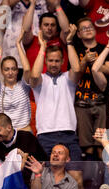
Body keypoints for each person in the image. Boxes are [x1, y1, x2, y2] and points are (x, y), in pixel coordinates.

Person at [29, 26, 82, 161]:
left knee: (76, 174)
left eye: (57, 61)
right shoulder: (41, 80)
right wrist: (42, 47)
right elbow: (34, 75)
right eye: (51, 60)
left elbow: (76, 69)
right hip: (45, 135)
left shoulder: (67, 78)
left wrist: (69, 42)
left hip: (68, 133)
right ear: (45, 61)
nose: (53, 64)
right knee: (44, 175)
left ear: (63, 62)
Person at [73, 17, 109, 161]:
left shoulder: (104, 48)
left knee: (100, 143)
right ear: (78, 34)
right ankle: (91, 178)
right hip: (81, 102)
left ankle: (103, 177)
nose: (88, 29)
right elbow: (74, 74)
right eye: (83, 28)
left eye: (90, 26)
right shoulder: (76, 49)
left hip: (101, 101)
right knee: (86, 145)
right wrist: (84, 61)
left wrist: (96, 63)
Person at [0, 113, 48, 189]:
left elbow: (19, 168)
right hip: (19, 186)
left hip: (42, 180)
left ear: (9, 127)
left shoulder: (26, 137)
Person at [0, 29, 32, 132]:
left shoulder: (23, 86)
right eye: (6, 69)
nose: (10, 72)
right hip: (4, 133)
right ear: (2, 72)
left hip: (23, 130)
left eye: (13, 69)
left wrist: (18, 44)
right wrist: (0, 52)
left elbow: (27, 69)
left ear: (17, 71)